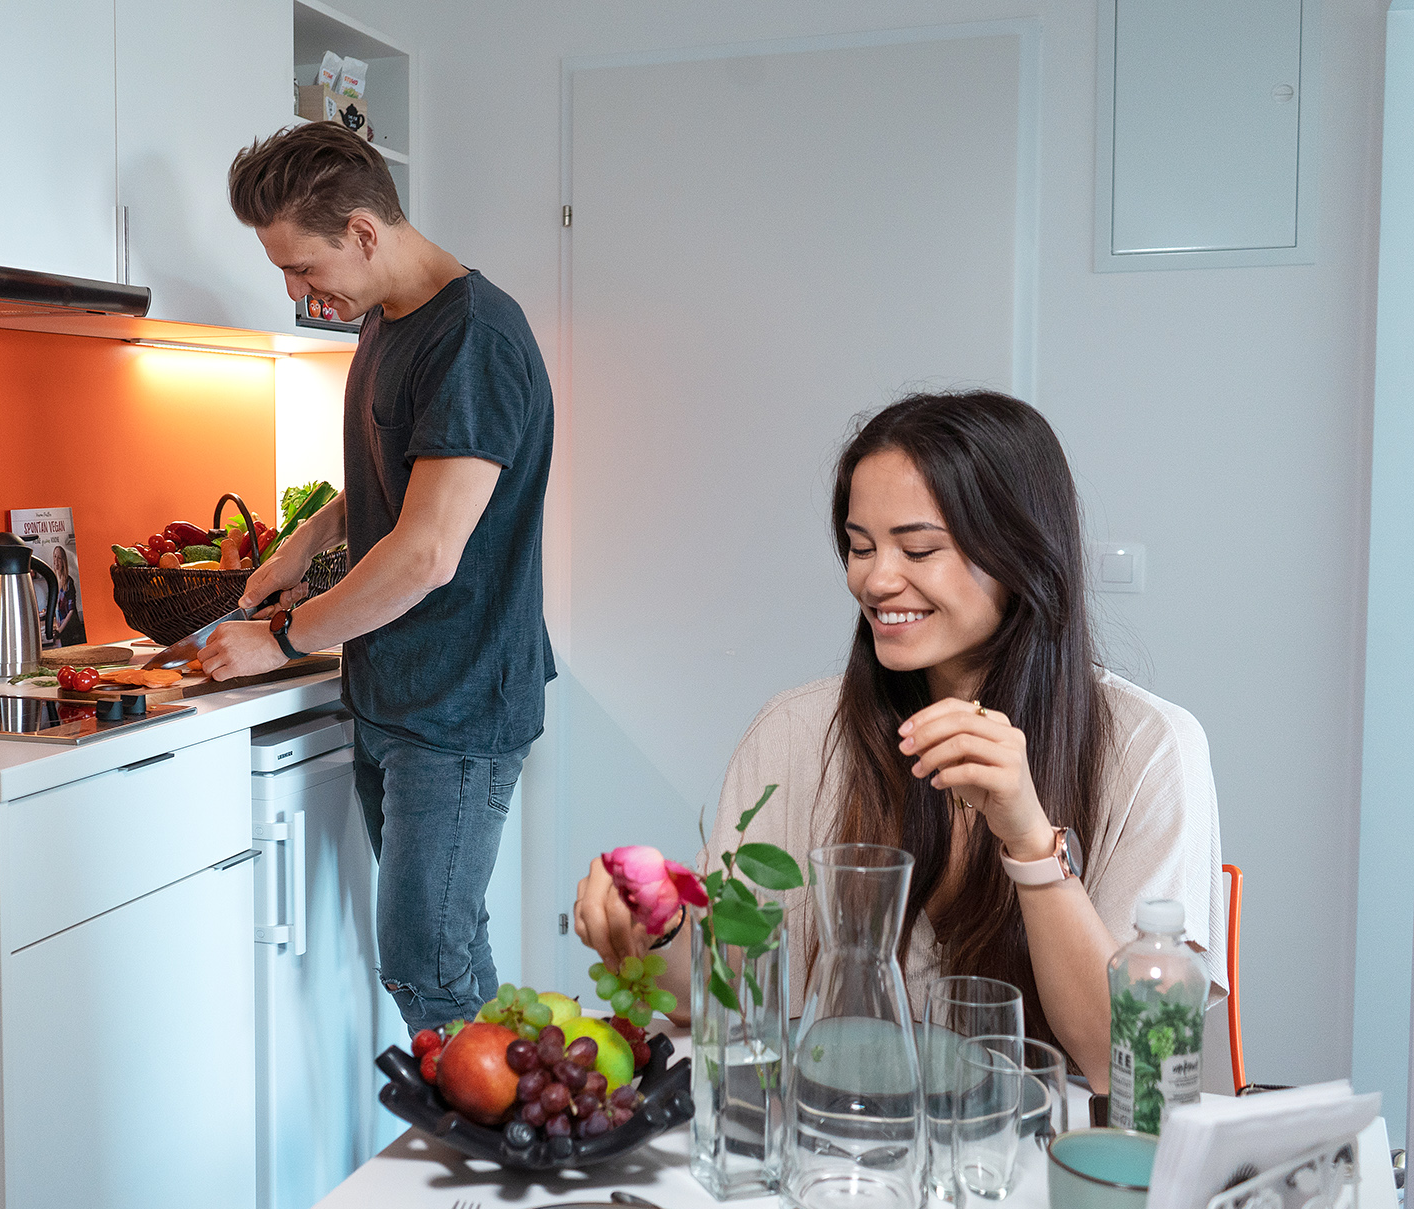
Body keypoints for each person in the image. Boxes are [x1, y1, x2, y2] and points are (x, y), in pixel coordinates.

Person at [573, 391, 1225, 1089]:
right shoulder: (793, 734)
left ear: (1020, 554)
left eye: (918, 549)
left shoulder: (1148, 747)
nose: (876, 580)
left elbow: (1127, 1068)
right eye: (860, 547)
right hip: (836, 1136)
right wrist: (657, 927)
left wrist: (1031, 843)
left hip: (1036, 1146)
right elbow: (720, 999)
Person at [202, 123, 556, 1032]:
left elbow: (427, 551)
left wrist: (281, 640)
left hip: (457, 702)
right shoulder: (387, 321)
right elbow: (404, 475)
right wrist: (308, 536)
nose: (294, 291)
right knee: (446, 952)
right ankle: (507, 1112)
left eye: (301, 268)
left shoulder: (472, 339)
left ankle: (495, 1123)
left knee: (426, 968)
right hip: (395, 688)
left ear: (362, 231)